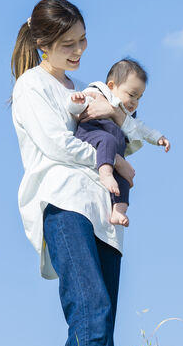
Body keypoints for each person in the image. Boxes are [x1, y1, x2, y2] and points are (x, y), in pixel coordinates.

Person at [10, 0, 155, 346]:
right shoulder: (31, 85)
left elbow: (124, 140)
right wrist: (111, 161)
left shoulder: (82, 89)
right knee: (90, 304)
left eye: (83, 41)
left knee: (102, 316)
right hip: (64, 203)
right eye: (68, 44)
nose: (79, 51)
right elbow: (57, 144)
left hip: (104, 212)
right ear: (43, 43)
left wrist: (116, 122)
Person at [69, 58, 170, 227]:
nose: (134, 102)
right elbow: (78, 107)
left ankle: (119, 211)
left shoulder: (127, 115)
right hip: (92, 134)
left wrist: (158, 138)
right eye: (131, 95)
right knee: (107, 139)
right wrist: (76, 101)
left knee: (124, 180)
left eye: (139, 98)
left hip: (111, 150)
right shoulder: (99, 92)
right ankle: (106, 174)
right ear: (111, 86)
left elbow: (142, 129)